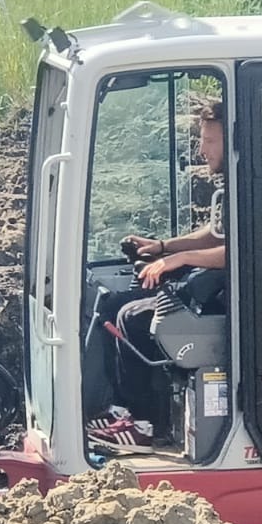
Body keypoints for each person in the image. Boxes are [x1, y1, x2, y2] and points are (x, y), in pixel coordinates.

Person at [86, 98, 227, 454]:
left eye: (210, 141)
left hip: (229, 299)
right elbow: (215, 235)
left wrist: (179, 259)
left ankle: (146, 425)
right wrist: (162, 247)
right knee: (115, 305)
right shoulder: (234, 185)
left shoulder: (257, 187)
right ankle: (124, 411)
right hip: (212, 288)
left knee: (132, 318)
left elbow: (243, 249)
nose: (202, 150)